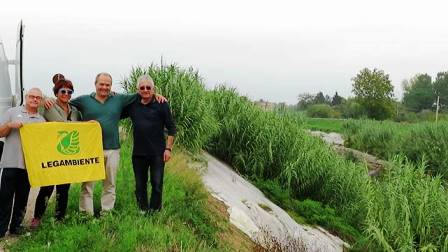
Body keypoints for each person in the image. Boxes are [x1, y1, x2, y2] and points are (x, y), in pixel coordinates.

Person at [45, 72, 166, 216]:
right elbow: (64, 100)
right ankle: (86, 214)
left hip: (112, 149)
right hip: (90, 149)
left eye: (107, 85)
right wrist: (48, 99)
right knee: (88, 184)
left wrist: (157, 95)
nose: (104, 87)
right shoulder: (84, 100)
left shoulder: (118, 99)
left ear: (111, 86)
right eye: (101, 84)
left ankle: (106, 213)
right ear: (95, 84)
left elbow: (142, 93)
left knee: (110, 183)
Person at [30, 74, 81, 229]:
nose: (66, 94)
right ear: (56, 93)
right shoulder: (48, 106)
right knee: (47, 187)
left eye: (69, 92)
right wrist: (45, 99)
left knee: (64, 188)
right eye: (62, 91)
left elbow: (81, 128)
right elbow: (34, 99)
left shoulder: (75, 111)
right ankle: (37, 218)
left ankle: (59, 218)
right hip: (51, 153)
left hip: (67, 154)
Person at [122, 75, 175, 212]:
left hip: (157, 153)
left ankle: (155, 210)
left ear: (153, 89)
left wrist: (168, 149)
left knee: (157, 184)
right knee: (140, 185)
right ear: (137, 89)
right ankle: (142, 210)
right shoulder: (132, 104)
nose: (145, 90)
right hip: (139, 153)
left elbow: (172, 128)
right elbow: (116, 110)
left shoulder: (161, 104)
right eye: (142, 87)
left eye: (148, 87)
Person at [0, 88, 46, 238]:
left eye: (38, 98)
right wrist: (9, 126)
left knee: (22, 197)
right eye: (32, 96)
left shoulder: (41, 120)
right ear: (26, 97)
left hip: (28, 166)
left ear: (40, 101)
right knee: (5, 197)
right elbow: (0, 132)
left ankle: (15, 227)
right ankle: (1, 229)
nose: (34, 99)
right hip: (10, 163)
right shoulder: (12, 112)